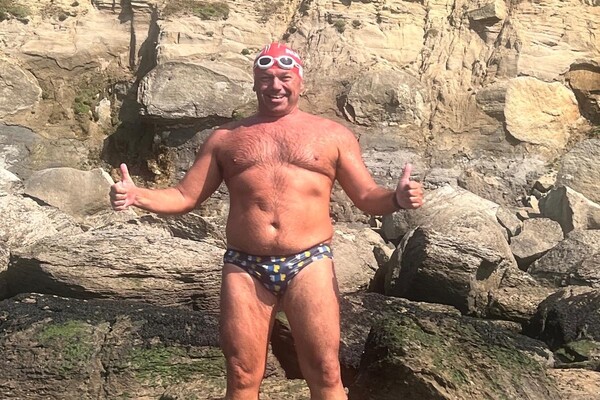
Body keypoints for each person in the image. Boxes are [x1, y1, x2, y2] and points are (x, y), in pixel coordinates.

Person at [110, 42, 424, 400]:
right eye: (266, 78)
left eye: (284, 77)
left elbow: (366, 196)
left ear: (300, 81)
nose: (275, 85)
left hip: (309, 261)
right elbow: (185, 196)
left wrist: (396, 198)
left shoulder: (333, 135)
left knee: (325, 371)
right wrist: (138, 196)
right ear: (255, 83)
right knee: (242, 375)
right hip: (245, 266)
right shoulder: (225, 139)